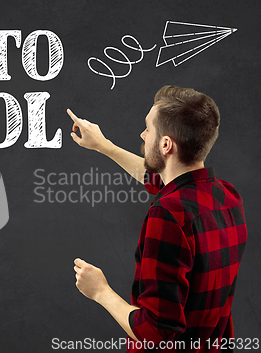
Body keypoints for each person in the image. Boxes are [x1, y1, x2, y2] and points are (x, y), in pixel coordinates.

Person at [68, 85, 247, 352]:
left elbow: (155, 332)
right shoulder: (226, 195)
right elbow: (159, 179)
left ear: (165, 144)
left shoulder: (169, 214)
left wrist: (100, 292)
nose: (142, 134)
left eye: (148, 128)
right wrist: (104, 146)